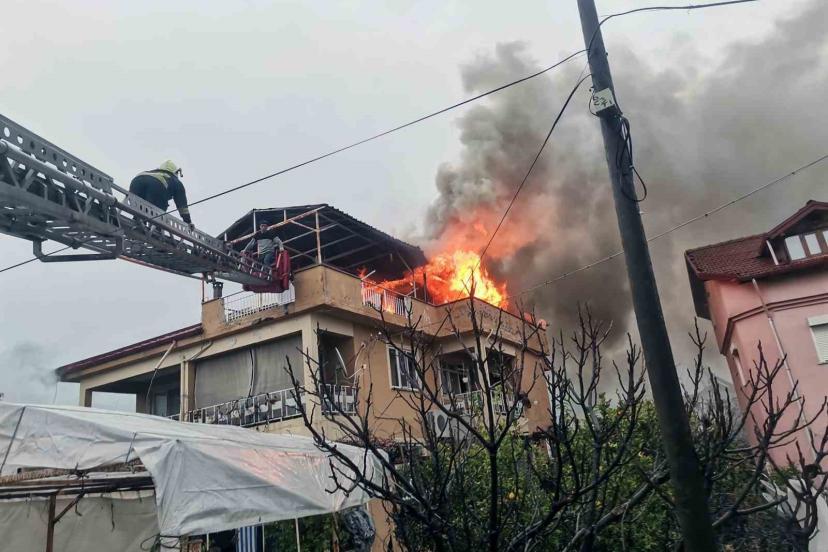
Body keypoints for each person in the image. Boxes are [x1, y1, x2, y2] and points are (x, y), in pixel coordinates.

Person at [129, 160, 193, 228]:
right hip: (157, 185)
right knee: (159, 212)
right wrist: (188, 222)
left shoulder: (152, 172)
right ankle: (156, 229)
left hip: (136, 181)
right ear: (175, 172)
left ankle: (137, 222)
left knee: (140, 208)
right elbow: (182, 206)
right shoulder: (175, 180)